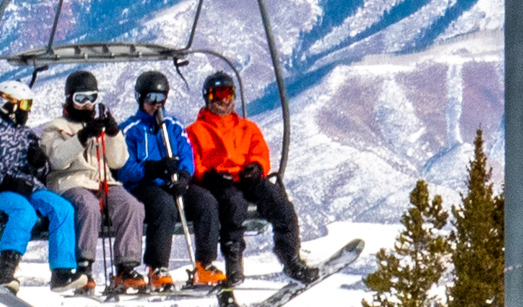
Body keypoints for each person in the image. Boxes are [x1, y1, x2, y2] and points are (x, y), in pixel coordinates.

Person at [187, 70, 317, 286]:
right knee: (233, 204)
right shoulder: (196, 131)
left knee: (278, 200)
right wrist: (209, 176)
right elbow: (193, 161)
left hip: (247, 179)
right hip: (221, 183)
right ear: (208, 97)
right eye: (218, 94)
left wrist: (257, 167)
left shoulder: (247, 128)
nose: (223, 99)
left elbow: (260, 152)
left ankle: (291, 258)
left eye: (227, 93)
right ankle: (234, 264)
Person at [36, 68, 146, 295]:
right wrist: (82, 137)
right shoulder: (56, 127)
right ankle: (83, 267)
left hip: (102, 182)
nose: (87, 104)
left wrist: (113, 134)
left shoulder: (100, 127)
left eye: (91, 98)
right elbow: (58, 160)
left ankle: (126, 267)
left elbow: (118, 161)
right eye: (80, 99)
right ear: (69, 99)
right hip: (69, 183)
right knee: (87, 206)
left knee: (131, 206)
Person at [0, 78, 78, 291]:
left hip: (29, 188)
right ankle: (5, 270)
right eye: (25, 105)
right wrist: (8, 181)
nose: (28, 111)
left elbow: (42, 173)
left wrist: (39, 163)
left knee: (62, 208)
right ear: (7, 104)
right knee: (24, 212)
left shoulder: (27, 134)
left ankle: (62, 272)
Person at [116, 69, 220, 291]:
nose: (156, 105)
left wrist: (183, 175)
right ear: (140, 98)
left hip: (172, 182)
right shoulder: (130, 130)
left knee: (205, 201)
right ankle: (158, 266)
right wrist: (153, 168)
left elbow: (186, 154)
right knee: (164, 206)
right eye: (151, 99)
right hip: (143, 185)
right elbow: (125, 170)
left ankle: (205, 262)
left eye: (161, 99)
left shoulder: (173, 125)